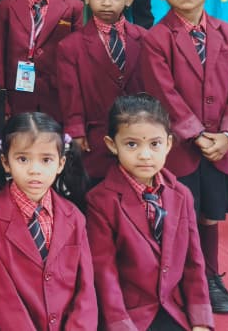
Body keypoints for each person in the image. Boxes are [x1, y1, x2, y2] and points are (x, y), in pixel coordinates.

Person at [139, 0, 228, 314]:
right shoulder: (157, 38)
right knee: (178, 214)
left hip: (219, 145)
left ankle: (210, 276)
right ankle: (181, 278)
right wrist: (197, 135)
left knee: (210, 214)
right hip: (180, 147)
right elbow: (164, 92)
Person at [87, 95, 213, 331]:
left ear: (168, 143)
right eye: (131, 144)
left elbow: (193, 261)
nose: (145, 155)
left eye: (155, 144)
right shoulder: (100, 201)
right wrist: (120, 325)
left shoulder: (182, 195)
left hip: (172, 309)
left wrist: (201, 320)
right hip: (129, 315)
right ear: (112, 144)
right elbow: (104, 273)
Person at [0, 112, 96, 329]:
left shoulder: (75, 217)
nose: (35, 170)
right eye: (23, 159)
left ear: (61, 163)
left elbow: (86, 290)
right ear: (5, 162)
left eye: (46, 160)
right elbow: (0, 296)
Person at [55, 0, 147, 180]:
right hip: (95, 135)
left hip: (140, 133)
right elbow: (71, 94)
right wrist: (76, 131)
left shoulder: (145, 38)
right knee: (95, 187)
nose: (106, 3)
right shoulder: (70, 46)